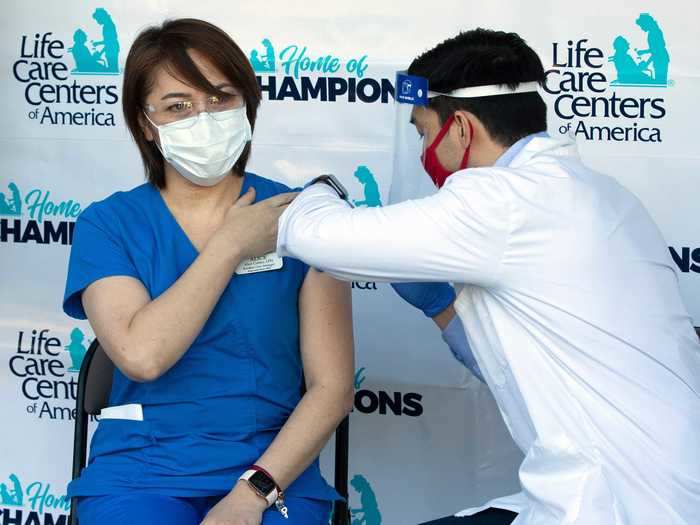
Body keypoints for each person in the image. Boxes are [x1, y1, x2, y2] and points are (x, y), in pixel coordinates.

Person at [275, 29, 700, 524]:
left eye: (422, 131)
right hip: (658, 486)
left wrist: (317, 190)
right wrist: (441, 308)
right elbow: (526, 359)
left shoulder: (504, 200)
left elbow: (314, 236)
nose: (422, 152)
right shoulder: (598, 194)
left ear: (461, 128)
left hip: (616, 503)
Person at [63, 18, 354, 525]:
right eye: (179, 106)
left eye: (221, 98)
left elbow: (332, 388)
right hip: (140, 474)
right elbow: (143, 357)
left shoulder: (303, 217)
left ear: (247, 104)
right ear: (146, 123)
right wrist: (231, 245)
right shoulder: (108, 225)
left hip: (273, 473)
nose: (204, 116)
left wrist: (251, 494)